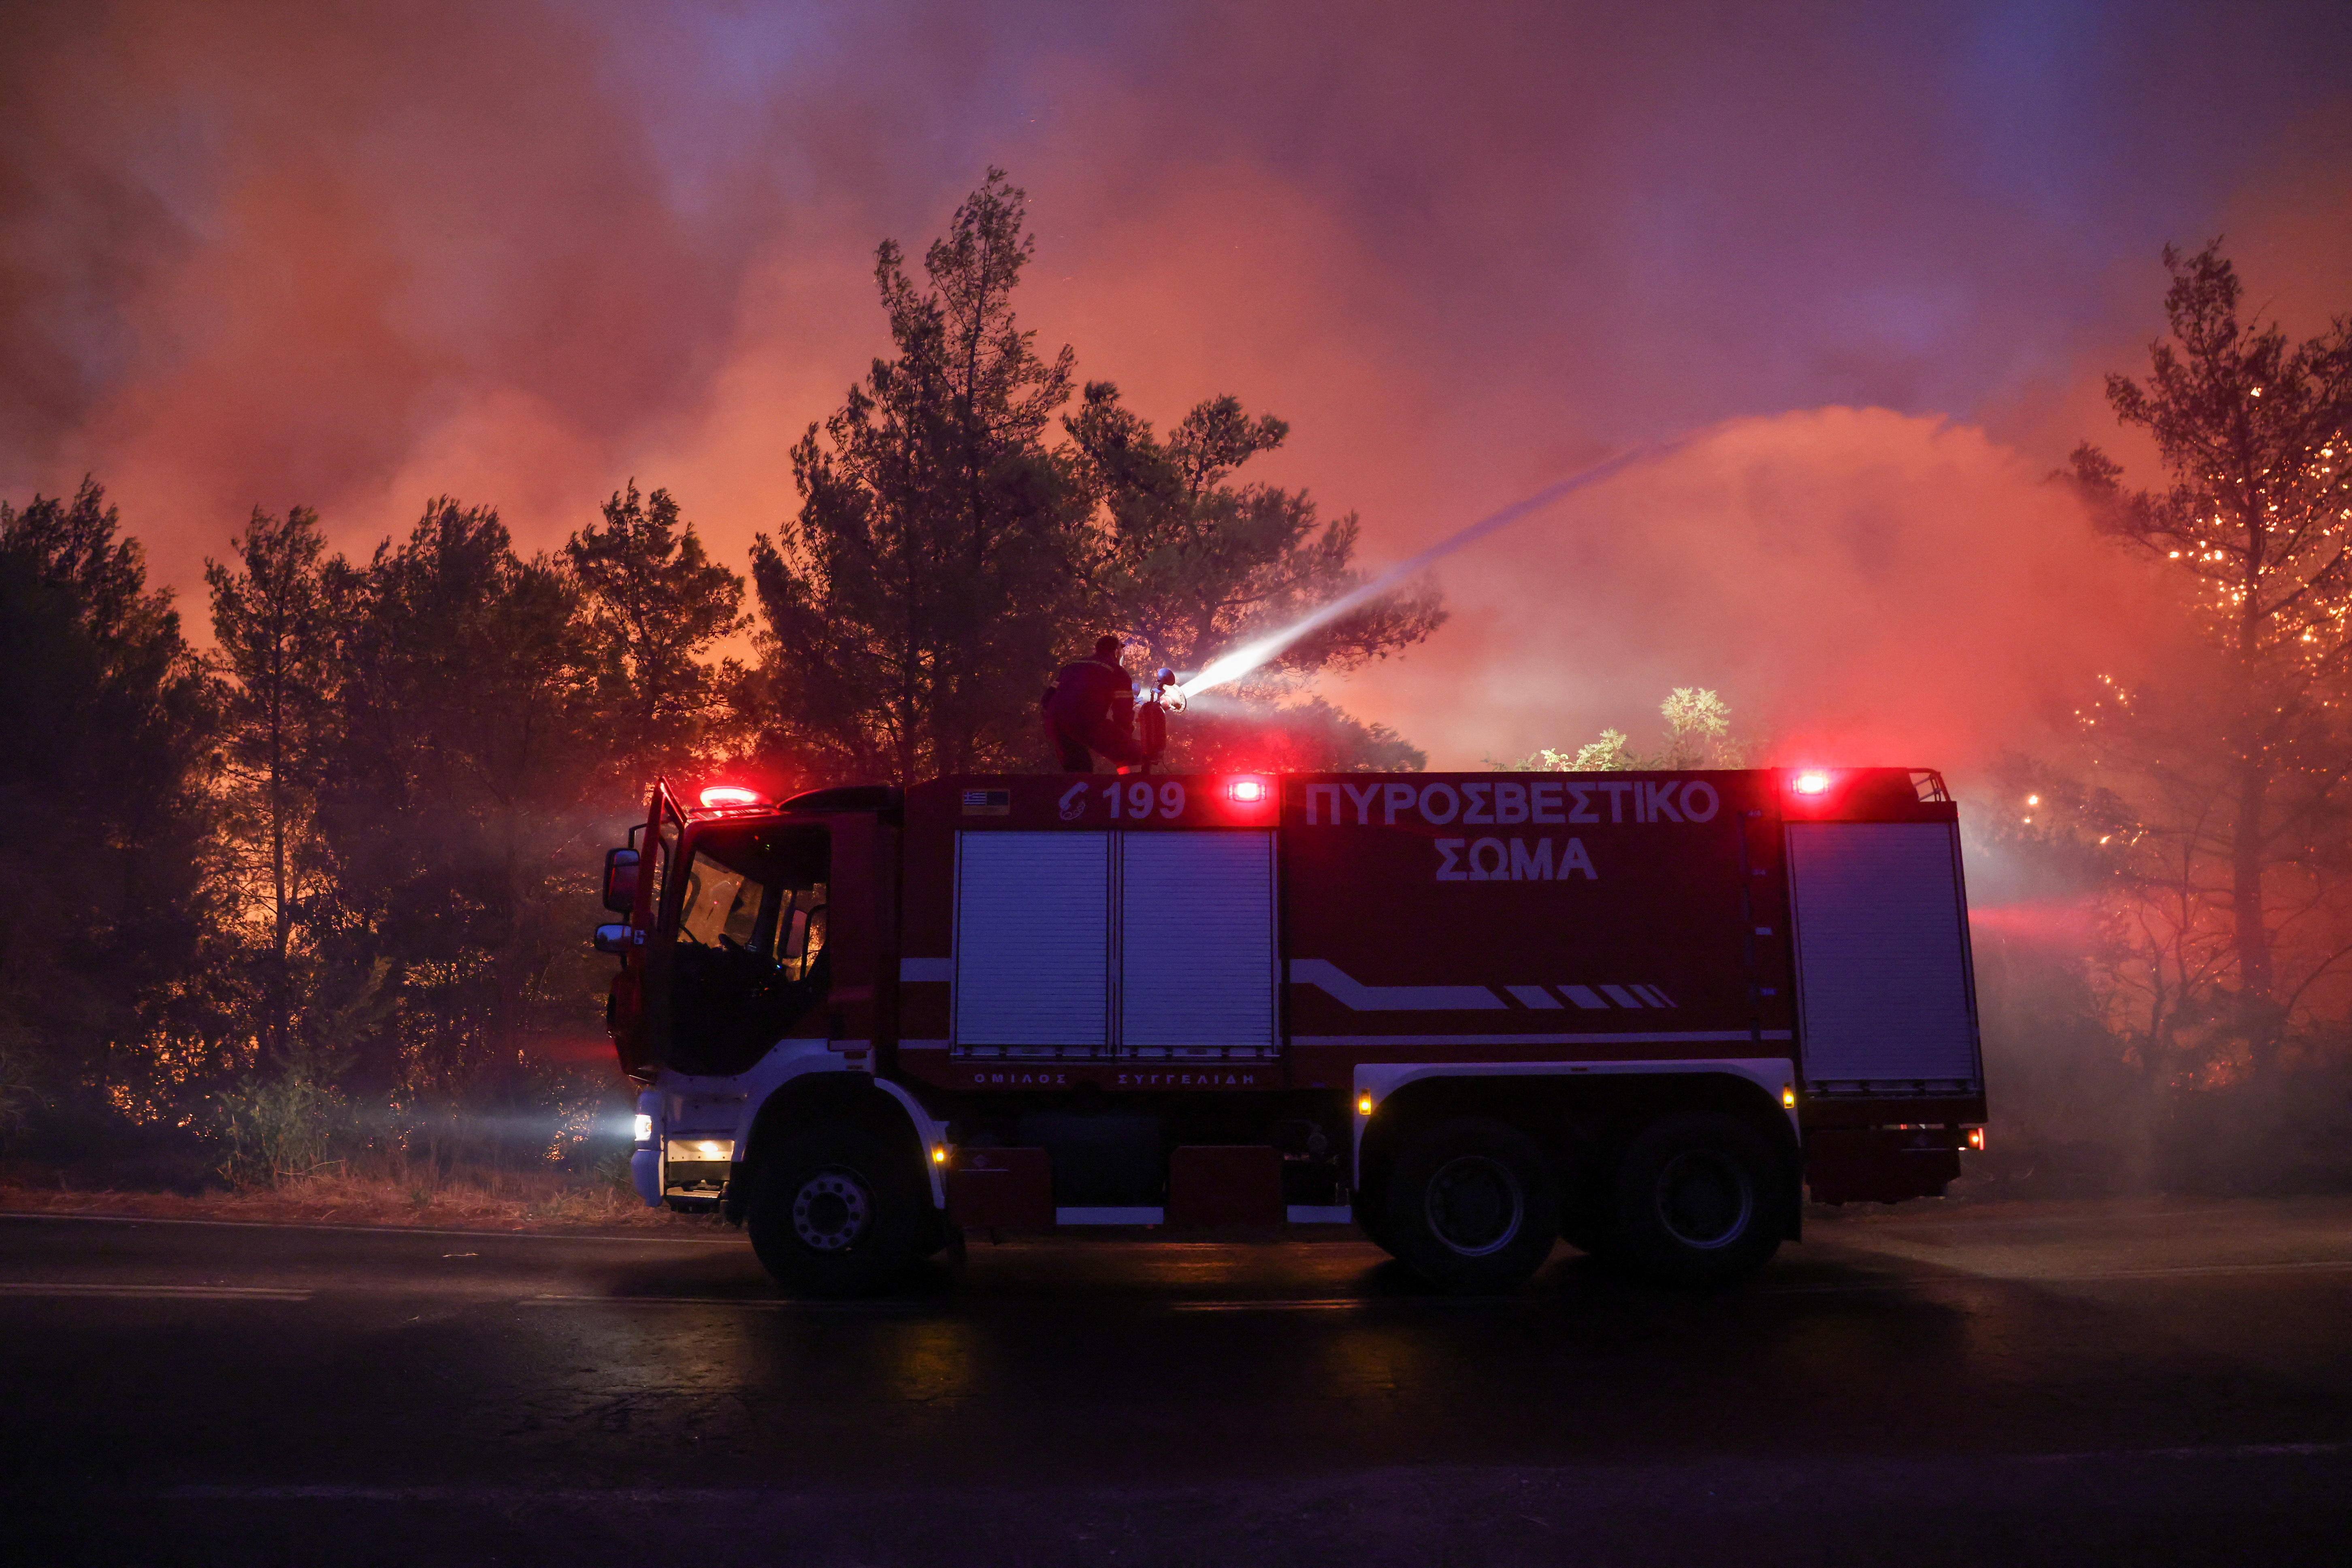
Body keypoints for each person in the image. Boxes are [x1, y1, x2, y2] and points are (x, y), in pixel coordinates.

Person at [1042, 634, 1144, 772]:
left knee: (1080, 769)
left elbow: (1046, 699)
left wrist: (1061, 721)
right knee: (1137, 754)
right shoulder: (1118, 672)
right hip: (1087, 722)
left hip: (1055, 722)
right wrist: (1124, 740)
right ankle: (1129, 789)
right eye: (1122, 652)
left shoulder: (1073, 666)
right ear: (1116, 652)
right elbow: (1123, 714)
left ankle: (1078, 793)